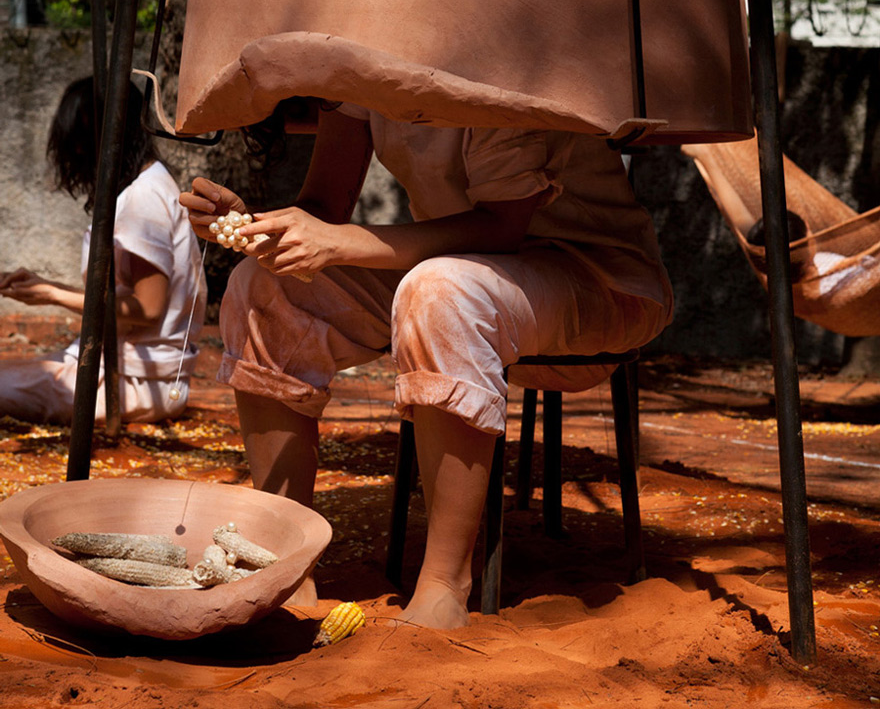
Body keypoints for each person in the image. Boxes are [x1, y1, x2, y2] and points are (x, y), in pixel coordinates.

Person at [181, 101, 673, 630]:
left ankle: (444, 584)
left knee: (439, 290)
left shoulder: (485, 56)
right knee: (264, 286)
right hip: (466, 271)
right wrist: (258, 226)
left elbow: (503, 227)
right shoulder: (355, 67)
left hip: (597, 280)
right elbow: (324, 204)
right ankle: (285, 565)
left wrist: (342, 242)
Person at [0, 76, 207, 424]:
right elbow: (119, 295)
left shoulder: (143, 198)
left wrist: (51, 294)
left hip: (137, 383)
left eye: (78, 142)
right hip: (122, 369)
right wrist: (44, 285)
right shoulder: (147, 184)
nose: (76, 154)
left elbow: (146, 308)